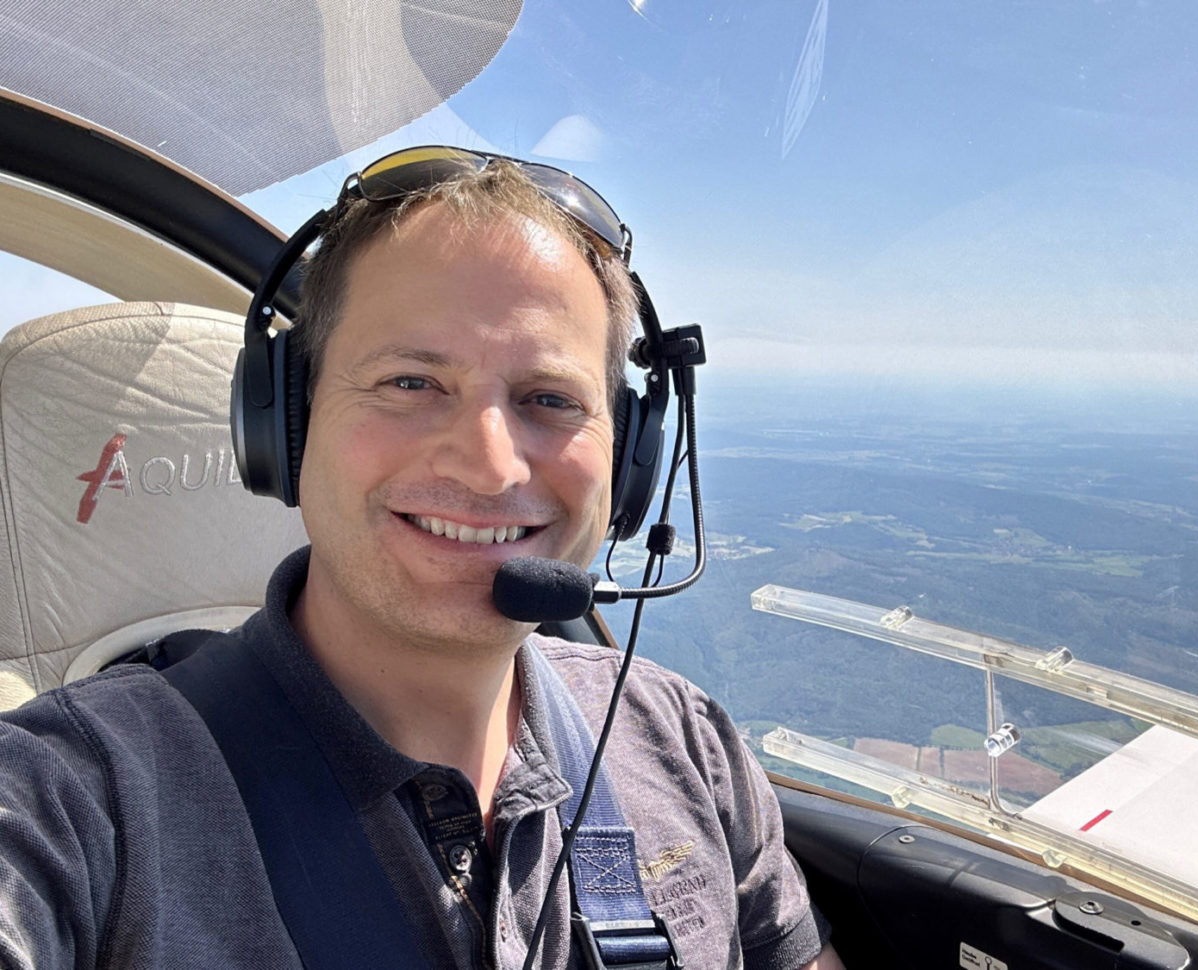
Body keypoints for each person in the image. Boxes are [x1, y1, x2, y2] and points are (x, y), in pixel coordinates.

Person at [0, 149, 844, 970]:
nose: (487, 464)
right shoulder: (69, 798)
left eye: (549, 400)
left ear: (630, 461)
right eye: (410, 382)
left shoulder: (678, 736)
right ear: (285, 422)